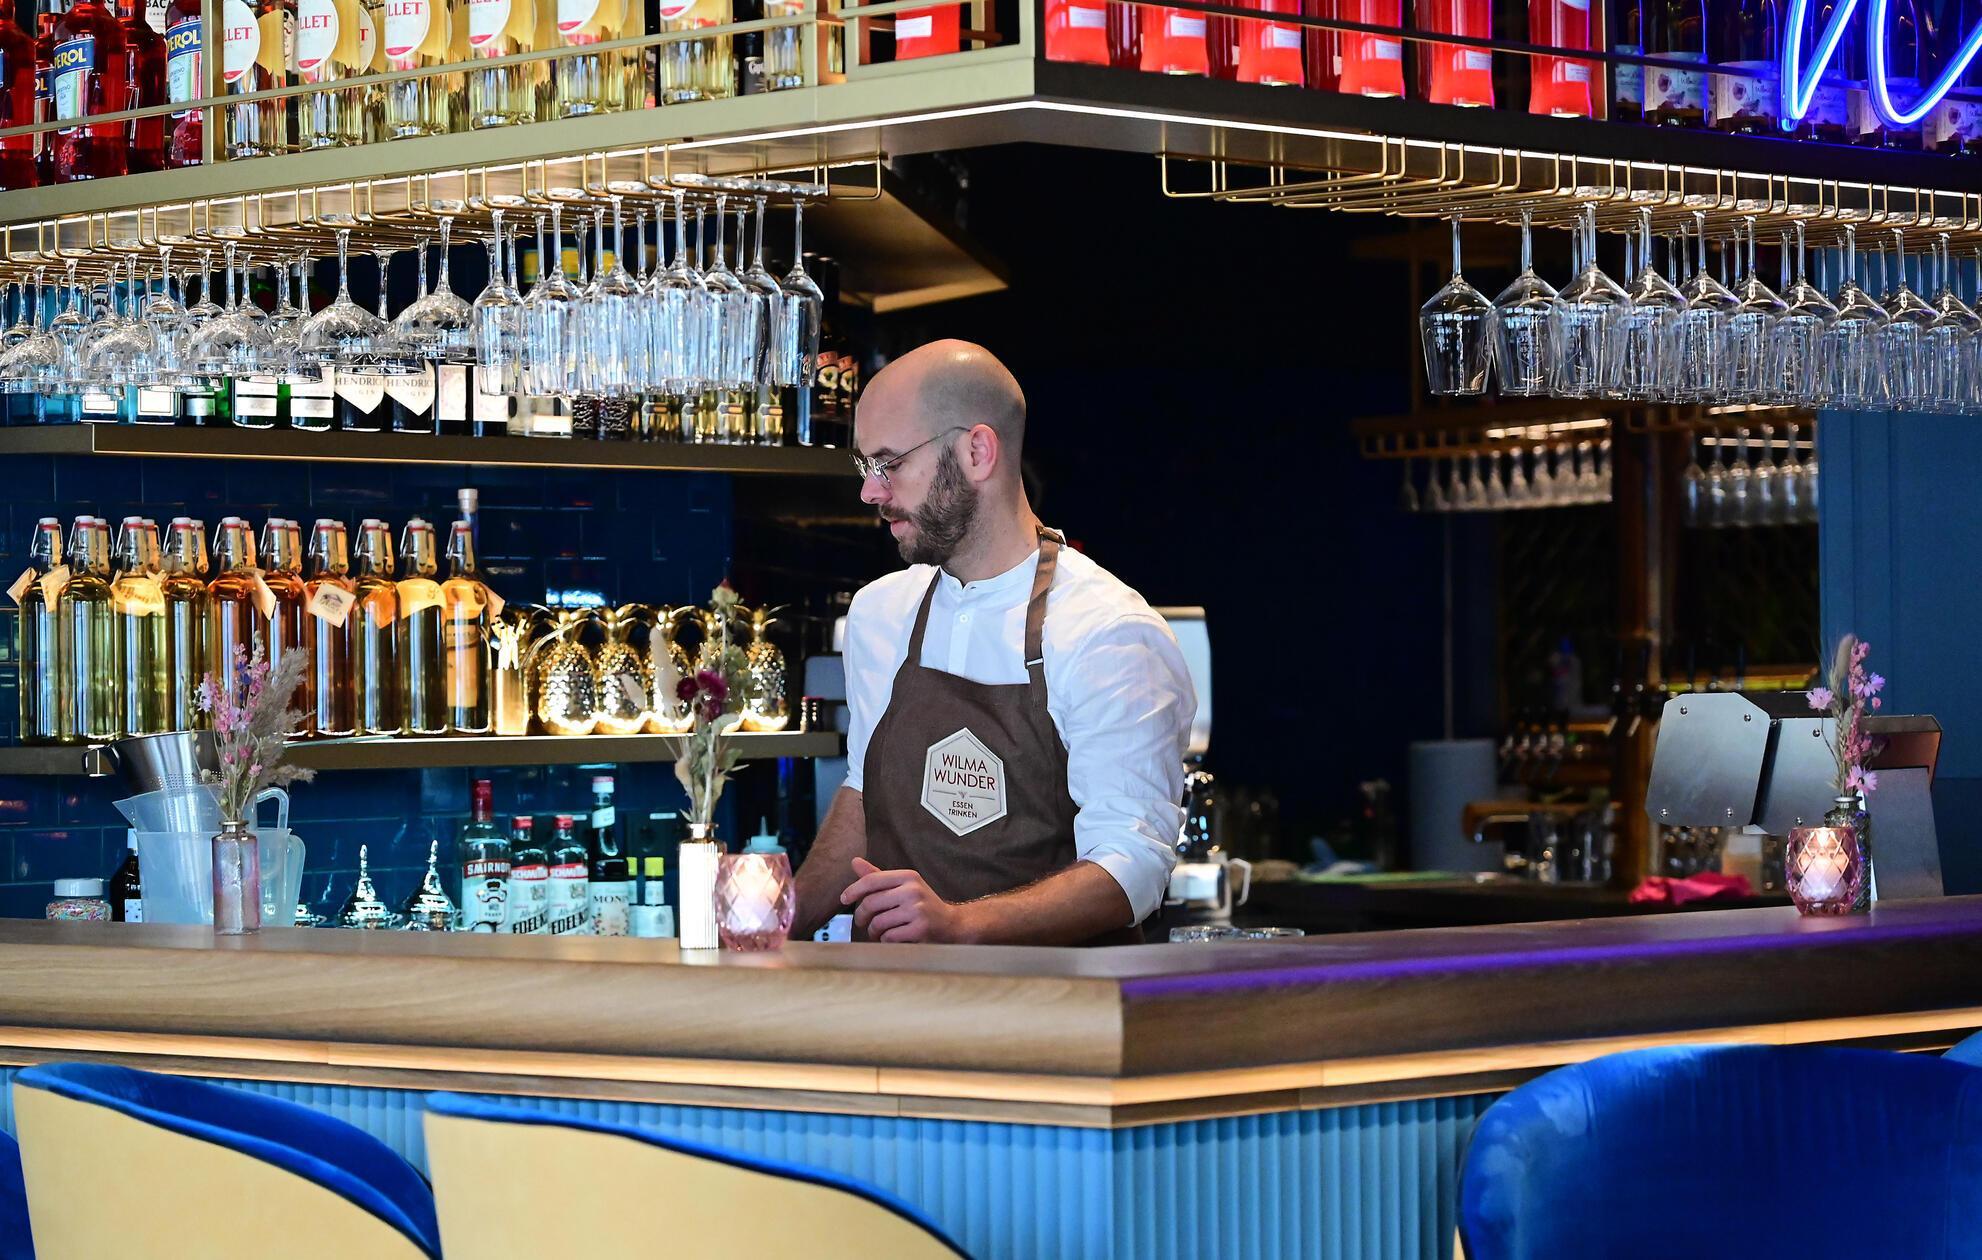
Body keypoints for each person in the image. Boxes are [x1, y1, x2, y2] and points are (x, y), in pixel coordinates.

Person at [791, 340, 1195, 946]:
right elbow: (865, 791)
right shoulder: (880, 615)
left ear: (978, 451)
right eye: (864, 467)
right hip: (889, 1008)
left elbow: (1132, 869)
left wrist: (959, 923)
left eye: (889, 463)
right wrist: (776, 920)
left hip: (1049, 1016)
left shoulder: (1107, 632)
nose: (869, 493)